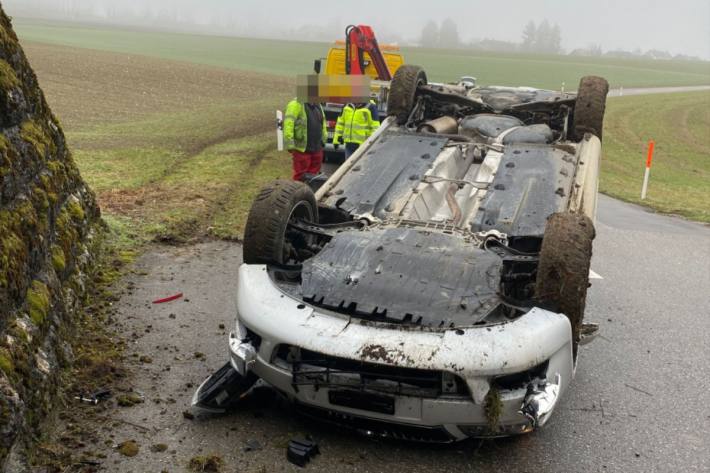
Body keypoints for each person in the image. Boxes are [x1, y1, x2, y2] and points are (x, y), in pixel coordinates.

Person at [283, 98, 327, 181]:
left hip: (317, 148)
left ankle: (311, 192)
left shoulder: (318, 105)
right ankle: (300, 193)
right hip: (302, 149)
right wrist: (289, 144)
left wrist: (323, 141)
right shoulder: (296, 104)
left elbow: (323, 123)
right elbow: (288, 124)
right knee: (300, 177)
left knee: (314, 177)